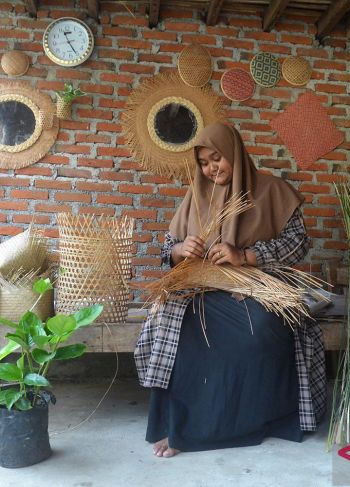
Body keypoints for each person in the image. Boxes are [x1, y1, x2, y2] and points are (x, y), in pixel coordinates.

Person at [134, 122, 326, 458]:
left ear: (234, 153)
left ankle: (249, 421)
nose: (211, 169)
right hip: (204, 291)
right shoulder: (197, 195)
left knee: (258, 331)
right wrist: (181, 250)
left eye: (216, 159)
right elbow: (168, 246)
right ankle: (185, 427)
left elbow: (298, 243)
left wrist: (247, 255)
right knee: (180, 326)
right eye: (204, 163)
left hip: (257, 292)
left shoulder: (271, 190)